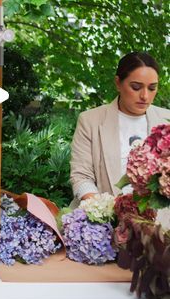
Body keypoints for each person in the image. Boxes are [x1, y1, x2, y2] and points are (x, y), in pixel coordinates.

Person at [70, 52, 169, 203]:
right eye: (136, 87)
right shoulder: (90, 121)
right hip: (104, 219)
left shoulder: (166, 121)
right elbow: (81, 177)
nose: (145, 96)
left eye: (152, 88)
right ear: (118, 83)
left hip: (160, 222)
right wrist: (104, 212)